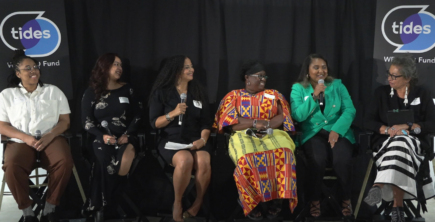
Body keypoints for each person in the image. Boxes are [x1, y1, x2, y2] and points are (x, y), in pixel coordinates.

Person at [214, 60, 297, 220]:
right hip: (243, 134)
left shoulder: (274, 94)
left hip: (272, 132)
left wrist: (266, 124)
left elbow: (283, 115)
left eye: (265, 76)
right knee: (247, 158)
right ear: (247, 78)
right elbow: (228, 121)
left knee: (285, 153)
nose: (263, 79)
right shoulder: (233, 96)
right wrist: (254, 123)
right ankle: (250, 201)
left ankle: (277, 198)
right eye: (259, 76)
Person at [0, 50, 73, 222]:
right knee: (11, 165)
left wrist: (50, 135)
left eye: (35, 67)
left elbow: (65, 121)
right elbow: (2, 126)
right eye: (27, 68)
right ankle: (28, 212)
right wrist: (26, 138)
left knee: (65, 161)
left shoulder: (53, 91)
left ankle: (49, 208)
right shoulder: (7, 95)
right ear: (18, 73)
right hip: (21, 141)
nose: (33, 71)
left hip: (51, 139)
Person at [363, 55, 435, 222]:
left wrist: (408, 127)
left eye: (394, 76)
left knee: (402, 142)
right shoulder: (380, 93)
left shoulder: (423, 94)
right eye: (389, 74)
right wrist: (386, 129)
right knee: (398, 146)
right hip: (385, 144)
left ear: (408, 78)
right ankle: (397, 207)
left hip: (415, 145)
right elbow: (367, 120)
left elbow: (432, 123)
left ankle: (378, 186)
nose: (389, 78)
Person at [290, 54, 356, 218]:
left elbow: (350, 110)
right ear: (307, 71)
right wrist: (314, 96)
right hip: (313, 133)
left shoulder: (338, 85)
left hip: (337, 131)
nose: (321, 71)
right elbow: (297, 116)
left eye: (324, 67)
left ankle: (346, 199)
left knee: (341, 160)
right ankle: (314, 200)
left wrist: (337, 130)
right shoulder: (298, 88)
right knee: (317, 160)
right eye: (316, 67)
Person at [149, 55, 212, 222]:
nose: (191, 70)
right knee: (185, 160)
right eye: (187, 67)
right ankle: (177, 203)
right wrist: (172, 113)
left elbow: (206, 123)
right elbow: (155, 123)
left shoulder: (198, 91)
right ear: (176, 71)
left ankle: (198, 202)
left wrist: (203, 140)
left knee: (204, 160)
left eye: (191, 66)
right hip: (171, 139)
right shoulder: (162, 93)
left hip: (195, 139)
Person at [81, 53, 142, 220]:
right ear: (104, 67)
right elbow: (87, 122)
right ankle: (102, 209)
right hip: (101, 139)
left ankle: (102, 203)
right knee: (103, 161)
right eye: (115, 64)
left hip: (125, 138)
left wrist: (128, 135)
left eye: (120, 65)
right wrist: (103, 137)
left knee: (123, 165)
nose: (119, 68)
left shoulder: (127, 89)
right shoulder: (91, 92)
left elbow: (138, 115)